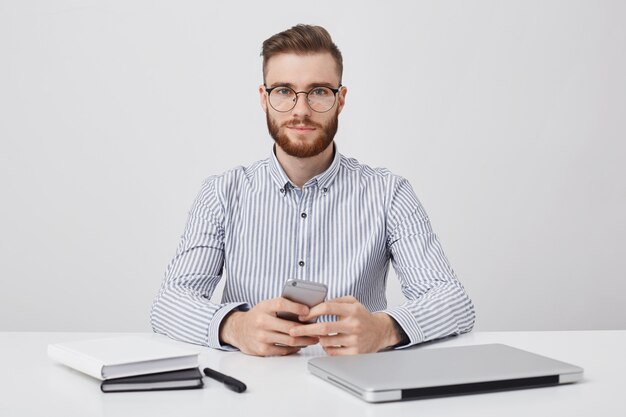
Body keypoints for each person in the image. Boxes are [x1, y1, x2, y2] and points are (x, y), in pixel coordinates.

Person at [150, 24, 475, 357]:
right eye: (284, 91)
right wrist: (234, 327)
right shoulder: (222, 193)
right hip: (247, 392)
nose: (301, 110)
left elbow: (452, 300)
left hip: (358, 395)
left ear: (340, 99)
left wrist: (384, 329)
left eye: (319, 91)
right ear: (264, 99)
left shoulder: (389, 194)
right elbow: (169, 303)